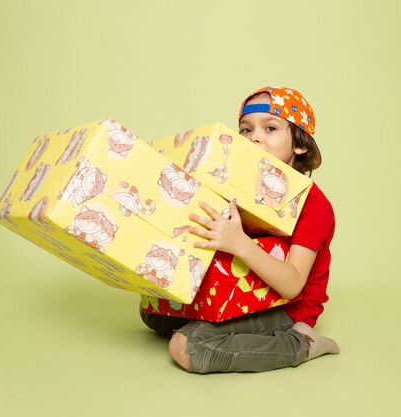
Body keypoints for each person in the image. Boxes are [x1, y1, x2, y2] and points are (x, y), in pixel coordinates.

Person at [140, 86, 340, 373]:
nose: (254, 137)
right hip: (244, 294)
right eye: (245, 130)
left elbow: (293, 284)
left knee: (188, 347)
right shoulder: (238, 186)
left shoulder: (313, 204)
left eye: (270, 128)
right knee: (152, 314)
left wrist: (240, 243)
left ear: (301, 144)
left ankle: (301, 343)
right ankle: (218, 326)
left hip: (287, 308)